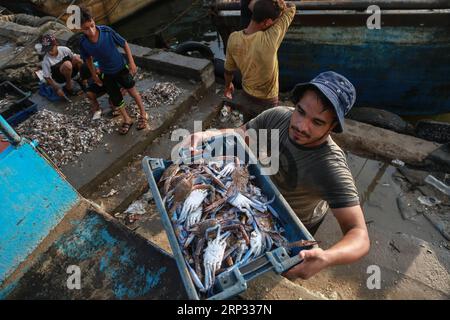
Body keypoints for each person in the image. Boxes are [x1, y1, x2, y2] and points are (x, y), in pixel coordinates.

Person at [184, 71, 370, 280]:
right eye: (300, 111)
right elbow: (240, 134)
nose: (301, 126)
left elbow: (359, 234)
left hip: (298, 218)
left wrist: (327, 257)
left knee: (286, 270)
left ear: (332, 127)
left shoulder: (331, 167)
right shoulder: (279, 117)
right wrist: (208, 134)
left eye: (317, 122)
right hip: (263, 199)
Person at [78, 7, 148, 134]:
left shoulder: (106, 31)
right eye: (86, 29)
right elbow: (87, 59)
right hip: (106, 73)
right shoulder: (83, 42)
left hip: (121, 68)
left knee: (132, 91)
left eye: (92, 26)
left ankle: (143, 114)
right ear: (80, 29)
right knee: (115, 97)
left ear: (94, 21)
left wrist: (131, 62)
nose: (92, 31)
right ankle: (127, 119)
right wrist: (94, 75)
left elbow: (124, 43)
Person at [224, 0, 296, 122]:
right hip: (268, 101)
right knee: (269, 132)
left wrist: (228, 85)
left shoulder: (233, 38)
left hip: (246, 95)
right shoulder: (270, 38)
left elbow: (228, 70)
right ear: (267, 22)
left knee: (249, 128)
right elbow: (291, 7)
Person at [40, 34, 84, 98]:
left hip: (72, 72)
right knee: (67, 64)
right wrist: (57, 89)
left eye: (51, 49)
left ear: (56, 45)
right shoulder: (46, 61)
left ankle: (82, 78)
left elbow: (75, 58)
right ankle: (68, 85)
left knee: (77, 58)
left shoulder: (64, 49)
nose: (50, 52)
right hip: (60, 78)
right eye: (48, 50)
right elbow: (47, 77)